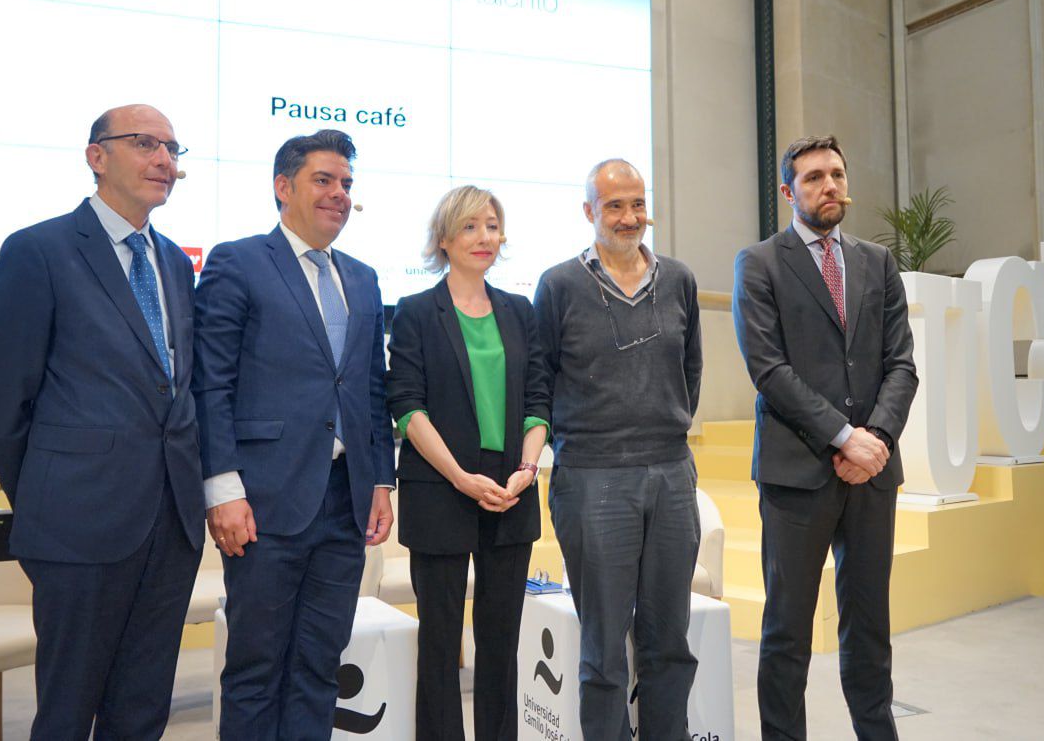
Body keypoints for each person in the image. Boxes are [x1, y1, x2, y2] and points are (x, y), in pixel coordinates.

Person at [0, 104, 204, 739]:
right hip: (77, 525)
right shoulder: (38, 251)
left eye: (174, 150)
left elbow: (178, 390)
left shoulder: (177, 264)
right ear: (97, 156)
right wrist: (50, 497)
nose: (165, 161)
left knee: (143, 704)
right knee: (69, 708)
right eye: (147, 144)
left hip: (169, 522)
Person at [192, 128, 396, 739]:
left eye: (347, 184)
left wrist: (381, 480)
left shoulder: (362, 278)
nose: (339, 194)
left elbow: (370, 390)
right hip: (263, 502)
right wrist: (222, 488)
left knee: (318, 666)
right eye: (324, 180)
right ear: (284, 187)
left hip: (343, 504)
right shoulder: (239, 260)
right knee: (256, 668)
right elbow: (211, 383)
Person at [732, 135, 918, 740]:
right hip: (797, 475)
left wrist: (876, 441)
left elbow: (901, 365)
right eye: (813, 178)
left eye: (836, 174)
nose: (829, 185)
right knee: (787, 631)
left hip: (872, 474)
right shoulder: (759, 263)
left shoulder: (877, 262)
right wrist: (844, 437)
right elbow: (769, 370)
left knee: (869, 627)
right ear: (789, 192)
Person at [533, 159, 703, 740]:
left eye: (637, 204)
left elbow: (691, 372)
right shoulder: (559, 286)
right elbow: (542, 379)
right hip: (593, 478)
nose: (630, 217)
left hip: (671, 475)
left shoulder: (678, 279)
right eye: (614, 206)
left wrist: (664, 429)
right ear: (589, 212)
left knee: (669, 642)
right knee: (604, 651)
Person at [386, 185, 552, 740]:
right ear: (444, 239)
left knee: (502, 639)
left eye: (492, 225)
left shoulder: (519, 310)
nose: (484, 237)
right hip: (440, 487)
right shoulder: (414, 312)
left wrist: (526, 472)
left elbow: (537, 401)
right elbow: (405, 406)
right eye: (470, 227)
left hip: (511, 485)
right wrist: (460, 477)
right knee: (439, 640)